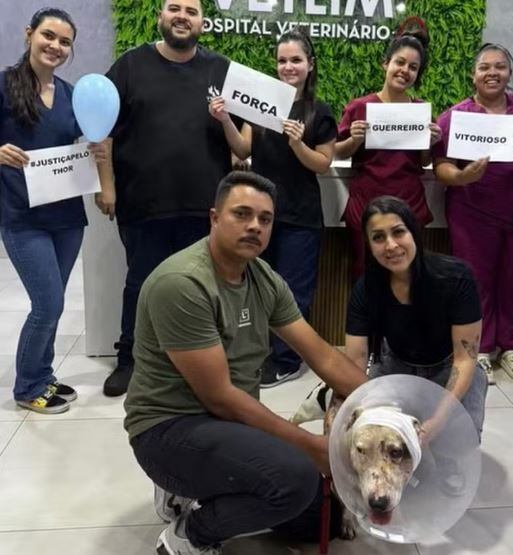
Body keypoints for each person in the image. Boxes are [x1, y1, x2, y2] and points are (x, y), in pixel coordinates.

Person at [123, 171, 367, 554]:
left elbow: (320, 354)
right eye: (242, 214)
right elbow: (220, 397)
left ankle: (212, 487)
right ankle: (190, 534)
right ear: (214, 218)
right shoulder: (183, 283)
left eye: (265, 219)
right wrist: (313, 447)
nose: (255, 226)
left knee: (324, 519)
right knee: (296, 480)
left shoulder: (263, 278)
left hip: (228, 425)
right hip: (170, 428)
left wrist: (386, 405)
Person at [98, 0, 236, 397]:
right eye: (174, 8)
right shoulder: (129, 66)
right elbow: (101, 131)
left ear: (202, 22)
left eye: (191, 11)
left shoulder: (221, 70)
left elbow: (240, 137)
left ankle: (200, 364)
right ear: (160, 16)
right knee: (141, 285)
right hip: (143, 202)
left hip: (205, 206)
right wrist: (106, 186)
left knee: (201, 289)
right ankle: (130, 359)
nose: (182, 16)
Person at [209, 28, 337, 388]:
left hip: (300, 216)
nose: (288, 67)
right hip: (261, 217)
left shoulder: (320, 112)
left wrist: (297, 144)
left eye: (296, 60)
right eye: (282, 60)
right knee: (255, 287)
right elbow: (243, 148)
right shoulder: (263, 104)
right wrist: (225, 119)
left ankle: (287, 359)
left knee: (293, 291)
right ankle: (258, 353)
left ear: (310, 65)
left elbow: (323, 163)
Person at [0, 8, 107, 414]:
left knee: (55, 301)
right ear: (29, 34)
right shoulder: (4, 86)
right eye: (48, 35)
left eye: (65, 42)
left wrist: (96, 151)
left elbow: (86, 141)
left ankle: (42, 375)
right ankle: (28, 387)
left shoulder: (71, 94)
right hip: (22, 217)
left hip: (66, 218)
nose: (56, 46)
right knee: (47, 304)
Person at [344, 196, 487, 442]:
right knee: (376, 438)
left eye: (398, 232)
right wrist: (354, 409)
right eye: (378, 237)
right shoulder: (365, 289)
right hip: (394, 366)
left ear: (414, 232)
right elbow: (356, 361)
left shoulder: (456, 278)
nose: (391, 245)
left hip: (449, 366)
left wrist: (438, 422)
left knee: (461, 441)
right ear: (368, 244)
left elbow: (465, 359)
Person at [433, 43, 513, 385]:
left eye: (500, 66)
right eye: (484, 67)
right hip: (471, 211)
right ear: (473, 75)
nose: (492, 73)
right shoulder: (455, 117)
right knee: (476, 282)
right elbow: (441, 166)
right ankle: (480, 350)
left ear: (510, 72)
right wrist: (462, 176)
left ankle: (512, 346)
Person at [335, 30, 442, 277]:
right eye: (400, 62)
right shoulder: (359, 107)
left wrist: (429, 142)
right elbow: (337, 152)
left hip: (409, 202)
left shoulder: (421, 112)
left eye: (413, 67)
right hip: (367, 202)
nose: (405, 70)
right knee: (365, 274)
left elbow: (424, 161)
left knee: (407, 276)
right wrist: (354, 139)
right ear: (386, 63)